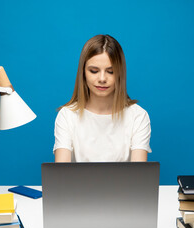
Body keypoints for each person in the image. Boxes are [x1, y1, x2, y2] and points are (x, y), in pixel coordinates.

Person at [53, 34, 151, 162]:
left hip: (124, 183)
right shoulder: (67, 115)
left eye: (111, 71)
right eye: (94, 71)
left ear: (120, 74)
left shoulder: (138, 116)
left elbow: (138, 176)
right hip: (77, 183)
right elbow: (61, 175)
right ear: (83, 73)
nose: (102, 79)